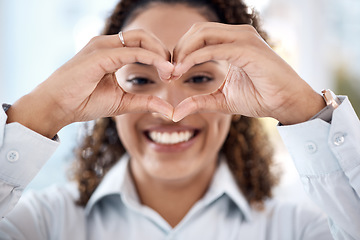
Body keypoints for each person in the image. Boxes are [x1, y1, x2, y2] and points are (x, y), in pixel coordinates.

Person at [0, 0, 359, 239]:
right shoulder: (42, 225)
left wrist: (301, 108)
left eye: (200, 78)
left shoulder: (297, 229)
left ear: (243, 94)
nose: (170, 109)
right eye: (141, 80)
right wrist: (44, 110)